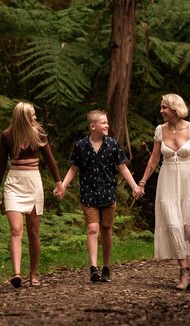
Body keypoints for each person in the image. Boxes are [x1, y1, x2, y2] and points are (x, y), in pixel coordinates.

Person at [138, 94, 190, 290]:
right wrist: (142, 182)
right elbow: (153, 159)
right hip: (167, 181)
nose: (161, 111)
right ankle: (184, 271)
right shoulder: (160, 130)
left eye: (164, 107)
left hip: (189, 179)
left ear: (175, 108)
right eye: (161, 108)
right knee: (175, 226)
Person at [54, 110, 144, 283]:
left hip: (108, 192)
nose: (107, 125)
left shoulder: (112, 144)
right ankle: (93, 268)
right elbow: (74, 168)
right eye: (103, 123)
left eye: (107, 122)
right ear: (93, 126)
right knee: (92, 228)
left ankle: (106, 267)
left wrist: (134, 187)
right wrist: (62, 187)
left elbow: (123, 168)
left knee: (107, 230)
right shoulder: (80, 146)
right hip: (88, 193)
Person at [0, 102, 64, 288]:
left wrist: (59, 183)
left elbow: (49, 159)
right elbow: (2, 163)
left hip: (33, 183)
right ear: (23, 117)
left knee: (33, 232)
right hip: (14, 184)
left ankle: (33, 274)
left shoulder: (39, 133)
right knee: (16, 230)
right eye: (32, 115)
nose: (35, 118)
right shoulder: (7, 136)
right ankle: (17, 273)